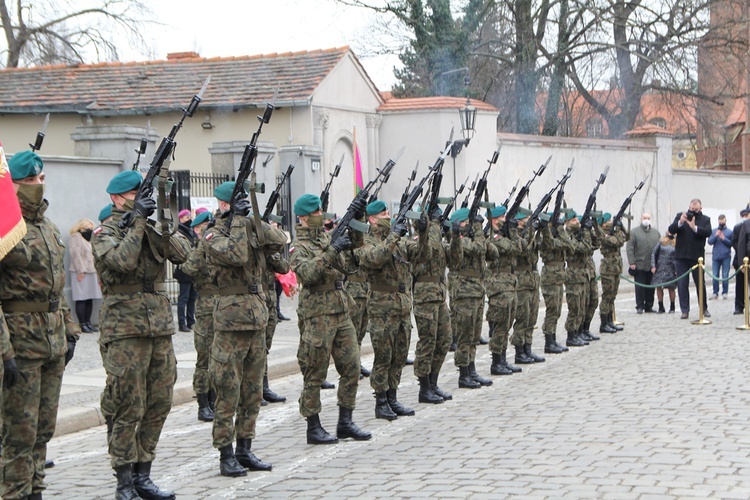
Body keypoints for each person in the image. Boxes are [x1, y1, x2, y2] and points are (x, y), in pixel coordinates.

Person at [92, 170, 190, 499]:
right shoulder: (104, 233)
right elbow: (122, 261)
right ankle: (123, 481)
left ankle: (143, 473)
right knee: (127, 405)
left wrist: (158, 220)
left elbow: (182, 255)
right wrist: (136, 223)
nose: (139, 199)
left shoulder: (149, 226)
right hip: (124, 330)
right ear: (116, 199)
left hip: (158, 327)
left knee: (159, 402)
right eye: (134, 195)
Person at [1, 150, 80, 499]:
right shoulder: (5, 229)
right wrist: (5, 352)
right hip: (21, 344)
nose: (38, 185)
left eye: (41, 178)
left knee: (43, 429)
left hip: (52, 342)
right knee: (18, 432)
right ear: (12, 185)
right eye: (30, 180)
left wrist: (71, 330)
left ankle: (35, 490)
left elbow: (56, 286)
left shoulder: (47, 227)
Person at [203, 181, 287, 477]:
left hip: (257, 319)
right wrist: (240, 222)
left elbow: (280, 240)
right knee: (228, 390)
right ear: (224, 205)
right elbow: (236, 255)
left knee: (252, 391)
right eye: (235, 204)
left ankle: (245, 448)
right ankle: (226, 454)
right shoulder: (213, 233)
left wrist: (253, 222)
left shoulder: (250, 228)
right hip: (230, 322)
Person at [290, 194, 371, 443]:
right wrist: (331, 251)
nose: (319, 215)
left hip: (340, 308)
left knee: (352, 367)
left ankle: (345, 421)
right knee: (315, 371)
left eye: (320, 211)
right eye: (314, 212)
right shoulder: (298, 246)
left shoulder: (327, 237)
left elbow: (354, 252)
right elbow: (307, 273)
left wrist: (357, 218)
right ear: (302, 217)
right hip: (317, 314)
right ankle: (313, 427)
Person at [356, 200, 423, 418]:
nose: (389, 216)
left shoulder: (398, 238)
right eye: (384, 214)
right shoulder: (366, 239)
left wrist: (423, 229)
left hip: (402, 306)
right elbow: (376, 258)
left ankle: (393, 397)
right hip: (382, 307)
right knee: (383, 356)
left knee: (399, 355)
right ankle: (381, 400)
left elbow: (420, 254)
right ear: (373, 219)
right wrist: (394, 236)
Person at [447, 207, 497, 388]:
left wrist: (482, 232)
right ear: (461, 224)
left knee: (474, 335)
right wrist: (477, 230)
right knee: (464, 336)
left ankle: (472, 369)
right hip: (464, 293)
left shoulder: (475, 238)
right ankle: (463, 374)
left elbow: (492, 253)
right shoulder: (458, 241)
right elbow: (478, 248)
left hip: (476, 291)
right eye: (469, 222)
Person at [179, 210, 218, 422]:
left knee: (219, 358)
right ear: (197, 230)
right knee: (204, 358)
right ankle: (203, 403)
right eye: (205, 229)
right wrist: (203, 245)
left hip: (224, 307)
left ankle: (215, 399)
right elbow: (187, 270)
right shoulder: (195, 250)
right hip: (206, 308)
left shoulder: (220, 247)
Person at [411, 207, 453, 402]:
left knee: (444, 339)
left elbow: (455, 259)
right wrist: (433, 227)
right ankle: (424, 387)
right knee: (427, 341)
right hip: (425, 296)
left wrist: (452, 233)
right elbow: (430, 250)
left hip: (439, 294)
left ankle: (433, 382)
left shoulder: (437, 238)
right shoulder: (417, 241)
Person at [486, 206, 524, 375]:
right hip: (499, 286)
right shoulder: (492, 237)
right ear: (494, 220)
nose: (505, 220)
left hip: (508, 285)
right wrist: (513, 231)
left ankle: (502, 359)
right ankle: (496, 362)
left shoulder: (501, 235)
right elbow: (516, 248)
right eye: (502, 218)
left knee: (506, 324)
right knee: (500, 325)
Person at [510, 211, 545, 364]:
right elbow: (523, 249)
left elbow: (542, 245)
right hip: (522, 281)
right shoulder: (514, 235)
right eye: (526, 219)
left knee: (532, 317)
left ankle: (528, 348)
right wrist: (531, 230)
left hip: (532, 280)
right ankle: (519, 351)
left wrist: (541, 230)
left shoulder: (529, 233)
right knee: (522, 318)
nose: (529, 221)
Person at [668, 199, 712, 319]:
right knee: (682, 284)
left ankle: (704, 308)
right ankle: (684, 310)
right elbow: (671, 230)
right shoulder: (680, 216)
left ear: (700, 209)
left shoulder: (705, 219)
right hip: (681, 256)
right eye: (691, 209)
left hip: (697, 258)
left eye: (696, 210)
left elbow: (708, 232)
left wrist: (695, 228)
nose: (693, 212)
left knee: (700, 283)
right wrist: (680, 222)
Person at [539, 212, 572, 354]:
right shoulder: (545, 237)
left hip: (558, 276)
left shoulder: (558, 236)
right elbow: (552, 244)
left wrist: (560, 230)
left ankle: (552, 339)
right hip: (550, 277)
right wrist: (554, 229)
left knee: (557, 310)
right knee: (552, 310)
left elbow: (570, 245)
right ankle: (548, 341)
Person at [68, 218, 103, 333]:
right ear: (81, 228)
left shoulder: (88, 238)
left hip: (91, 271)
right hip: (81, 271)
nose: (90, 231)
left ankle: (88, 323)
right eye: (88, 228)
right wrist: (80, 270)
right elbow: (75, 254)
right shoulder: (76, 237)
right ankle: (82, 324)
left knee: (89, 299)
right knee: (81, 298)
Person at [562, 211, 590, 347]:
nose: (577, 222)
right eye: (574, 220)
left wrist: (586, 232)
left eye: (577, 219)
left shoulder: (578, 234)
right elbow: (579, 248)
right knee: (574, 307)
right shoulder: (565, 235)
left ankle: (578, 332)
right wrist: (582, 237)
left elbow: (589, 247)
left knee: (581, 306)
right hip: (573, 274)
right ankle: (571, 335)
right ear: (567, 222)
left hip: (582, 274)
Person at [626, 213, 661, 313]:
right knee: (640, 287)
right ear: (641, 218)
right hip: (639, 264)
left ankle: (649, 305)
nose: (646, 220)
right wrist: (632, 262)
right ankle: (640, 306)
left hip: (652, 265)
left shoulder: (656, 233)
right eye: (645, 218)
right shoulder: (634, 232)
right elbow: (630, 248)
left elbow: (659, 248)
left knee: (651, 287)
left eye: (648, 218)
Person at [598, 214, 628, 332]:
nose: (611, 222)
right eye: (608, 221)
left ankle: (610, 320)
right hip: (608, 268)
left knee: (612, 296)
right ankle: (604, 323)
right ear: (604, 224)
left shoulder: (613, 232)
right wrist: (617, 230)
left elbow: (627, 237)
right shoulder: (602, 233)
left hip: (615, 267)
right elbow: (618, 242)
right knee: (607, 295)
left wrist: (621, 227)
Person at [174, 209, 198, 332]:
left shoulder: (191, 231)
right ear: (181, 218)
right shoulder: (178, 231)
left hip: (193, 270)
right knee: (183, 298)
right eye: (186, 217)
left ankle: (191, 321)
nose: (189, 219)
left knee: (193, 297)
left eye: (190, 216)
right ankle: (182, 323)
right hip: (184, 269)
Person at [707, 214, 733, 300]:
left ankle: (725, 292)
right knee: (715, 275)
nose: (721, 223)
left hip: (726, 256)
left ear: (725, 221)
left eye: (723, 221)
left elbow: (731, 244)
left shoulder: (730, 232)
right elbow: (710, 242)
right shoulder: (714, 231)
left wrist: (723, 238)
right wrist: (716, 235)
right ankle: (715, 292)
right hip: (716, 256)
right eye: (720, 221)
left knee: (725, 275)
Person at [651, 232, 677, 314]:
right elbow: (654, 253)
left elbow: (678, 257)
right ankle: (660, 306)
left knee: (671, 288)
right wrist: (653, 265)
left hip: (671, 267)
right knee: (659, 286)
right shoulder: (661, 242)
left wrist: (677, 269)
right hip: (660, 267)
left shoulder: (677, 243)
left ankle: (672, 306)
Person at [731, 207, 750, 315]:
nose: (744, 217)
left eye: (746, 215)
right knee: (740, 285)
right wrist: (742, 260)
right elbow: (736, 242)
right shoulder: (739, 227)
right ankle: (739, 306)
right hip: (741, 259)